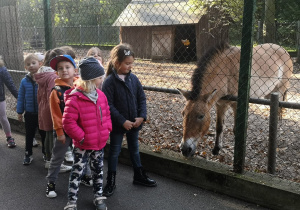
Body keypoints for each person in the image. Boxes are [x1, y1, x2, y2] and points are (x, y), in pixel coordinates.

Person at [102, 43, 157, 197]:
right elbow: (108, 105)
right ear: (116, 63)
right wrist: (122, 121)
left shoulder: (133, 79)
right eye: (127, 63)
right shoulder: (109, 82)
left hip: (134, 124)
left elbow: (142, 98)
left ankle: (139, 176)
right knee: (114, 152)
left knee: (134, 149)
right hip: (119, 125)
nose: (130, 66)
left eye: (132, 63)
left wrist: (142, 116)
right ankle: (111, 181)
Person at [62, 57, 111, 210]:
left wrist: (107, 129)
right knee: (77, 172)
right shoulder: (75, 99)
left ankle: (98, 197)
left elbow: (107, 114)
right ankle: (71, 201)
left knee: (98, 171)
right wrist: (81, 137)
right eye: (100, 77)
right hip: (82, 145)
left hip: (98, 143)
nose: (102, 79)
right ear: (91, 79)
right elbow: (68, 122)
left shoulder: (101, 95)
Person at [45, 54, 78, 198]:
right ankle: (51, 183)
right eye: (60, 68)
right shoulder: (56, 91)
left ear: (74, 69)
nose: (64, 70)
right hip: (63, 132)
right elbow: (55, 114)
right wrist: (59, 132)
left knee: (82, 155)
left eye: (67, 67)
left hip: (79, 130)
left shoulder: (80, 87)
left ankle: (87, 176)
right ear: (56, 72)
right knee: (57, 157)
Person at [17, 53, 46, 165]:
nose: (31, 65)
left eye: (33, 63)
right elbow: (21, 97)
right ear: (25, 67)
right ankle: (28, 154)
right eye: (28, 64)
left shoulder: (44, 80)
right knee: (29, 135)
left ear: (40, 64)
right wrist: (20, 112)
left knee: (43, 134)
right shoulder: (24, 81)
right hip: (29, 113)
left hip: (42, 113)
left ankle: (45, 153)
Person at [0, 56, 18, 148]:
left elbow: (10, 83)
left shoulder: (1, 69)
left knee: (3, 117)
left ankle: (9, 137)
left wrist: (18, 97)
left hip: (0, 99)